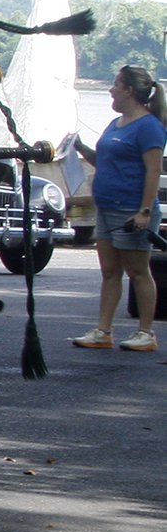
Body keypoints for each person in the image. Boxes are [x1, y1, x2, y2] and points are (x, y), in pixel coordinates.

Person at [73, 63, 164, 352]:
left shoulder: (149, 126)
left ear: (128, 90)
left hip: (132, 210)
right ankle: (103, 330)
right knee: (110, 272)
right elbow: (107, 161)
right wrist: (80, 149)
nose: (110, 90)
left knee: (138, 271)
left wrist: (145, 211)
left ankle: (146, 332)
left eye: (115, 85)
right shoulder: (116, 123)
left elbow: (152, 171)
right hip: (107, 207)